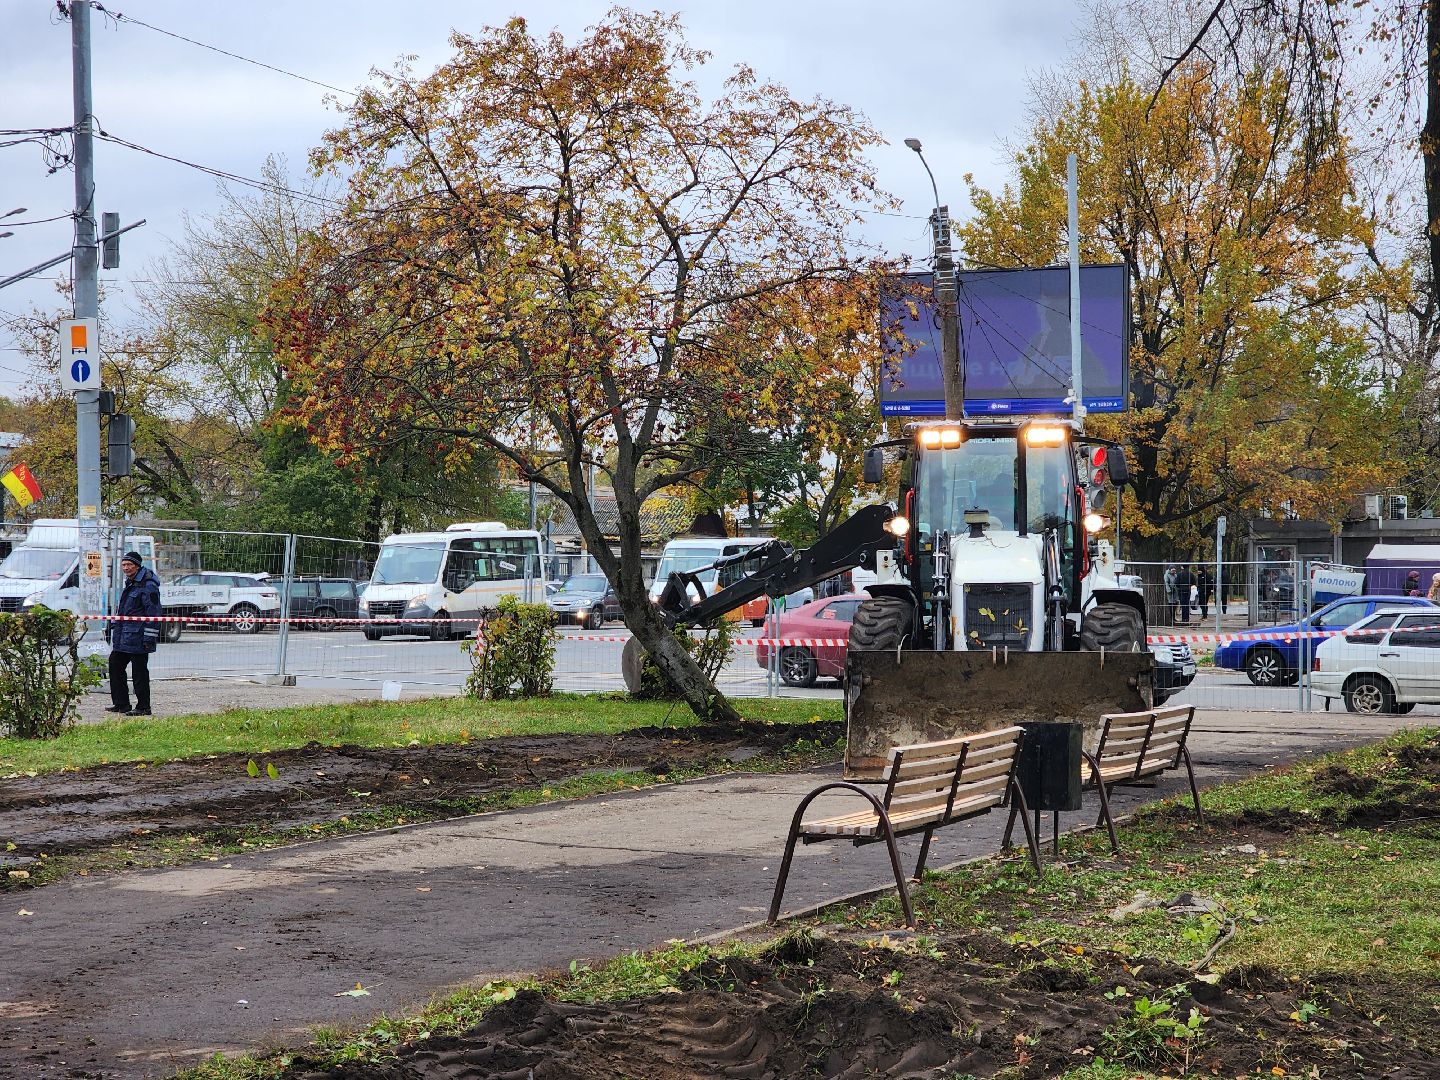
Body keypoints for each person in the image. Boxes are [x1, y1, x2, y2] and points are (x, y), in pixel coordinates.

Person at [106, 550, 162, 717]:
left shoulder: (148, 585)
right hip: (124, 635)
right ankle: (121, 704)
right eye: (123, 565)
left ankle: (144, 707)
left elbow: (154, 613)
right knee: (115, 664)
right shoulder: (131, 582)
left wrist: (149, 637)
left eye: (129, 565)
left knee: (139, 673)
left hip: (139, 637)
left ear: (137, 566)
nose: (126, 568)